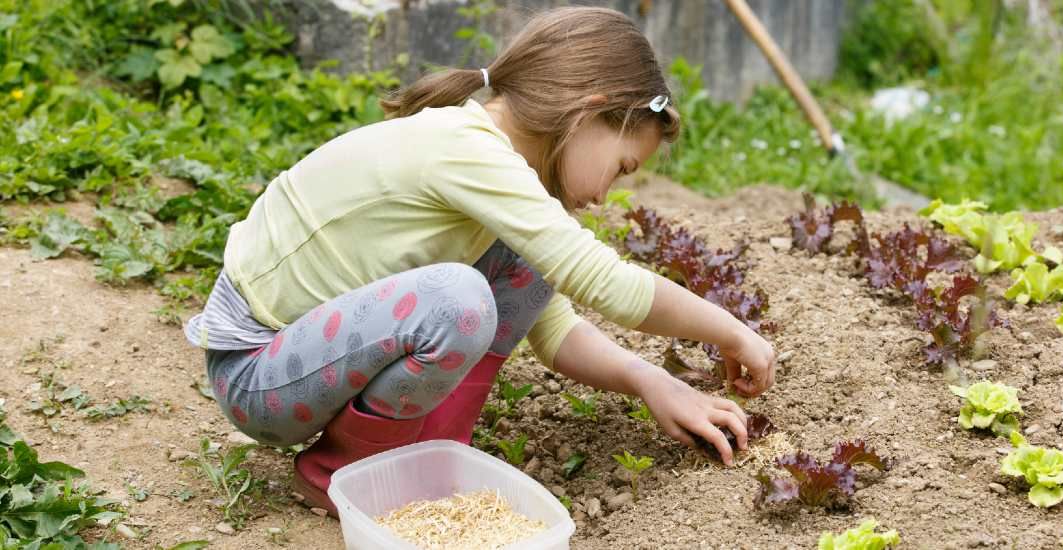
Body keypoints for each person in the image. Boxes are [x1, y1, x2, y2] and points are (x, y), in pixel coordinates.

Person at [182, 6, 776, 517]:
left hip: (307, 361)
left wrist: (653, 381)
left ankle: (431, 461)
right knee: (457, 301)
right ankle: (342, 478)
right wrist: (733, 332)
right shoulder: (466, 149)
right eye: (622, 166)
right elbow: (606, 283)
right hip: (259, 373)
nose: (606, 195)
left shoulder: (493, 163)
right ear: (591, 110)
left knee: (528, 263)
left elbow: (553, 324)